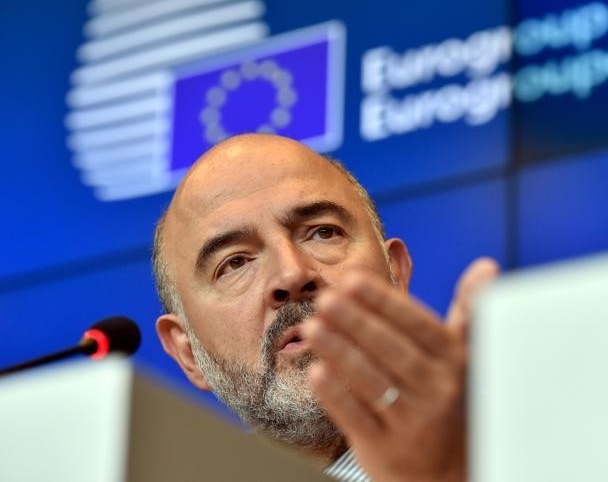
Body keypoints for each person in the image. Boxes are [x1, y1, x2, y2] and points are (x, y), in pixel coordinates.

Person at [152, 133, 499, 481]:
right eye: (236, 262)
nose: (290, 274)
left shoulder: (516, 440)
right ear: (188, 352)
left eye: (323, 233)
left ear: (395, 274)